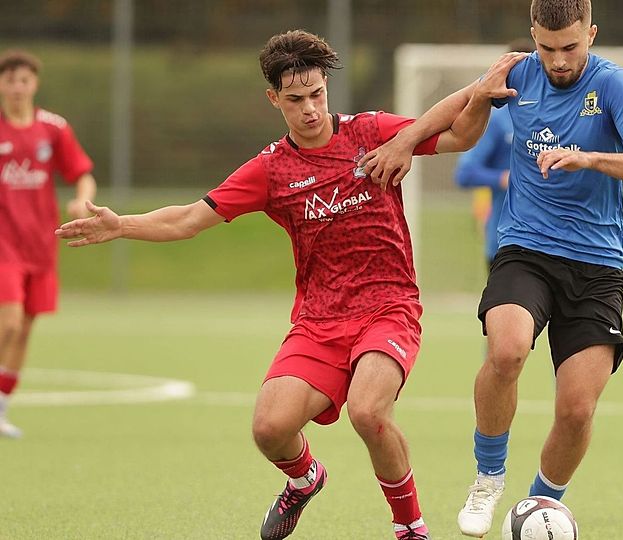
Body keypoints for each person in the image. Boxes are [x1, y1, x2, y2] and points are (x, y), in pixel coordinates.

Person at [55, 29, 523, 540]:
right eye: (295, 99)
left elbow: (459, 136)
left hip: (389, 306)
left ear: (327, 88)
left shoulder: (369, 133)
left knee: (368, 413)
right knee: (269, 429)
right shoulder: (271, 170)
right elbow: (189, 219)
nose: (310, 109)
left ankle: (410, 527)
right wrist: (122, 224)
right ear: (274, 99)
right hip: (320, 319)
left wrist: (480, 91)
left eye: (317, 94)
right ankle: (304, 479)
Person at [361, 1, 623, 536]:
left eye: (570, 48)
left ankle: (536, 506)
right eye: (546, 47)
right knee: (506, 348)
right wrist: (404, 141)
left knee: (576, 409)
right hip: (525, 249)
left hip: (597, 264)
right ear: (533, 35)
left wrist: (589, 157)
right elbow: (456, 105)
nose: (557, 60)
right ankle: (487, 479)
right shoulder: (516, 72)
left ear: (591, 34)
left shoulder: (614, 85)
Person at [0, 49, 97, 439]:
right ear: (2, 85)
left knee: (23, 328)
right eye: (10, 80)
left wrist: (81, 199)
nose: (17, 88)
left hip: (40, 244)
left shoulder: (53, 128)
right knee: (7, 322)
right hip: (3, 243)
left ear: (34, 84)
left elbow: (83, 172)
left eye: (24, 80)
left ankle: (3, 408)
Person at [454, 38, 535, 269]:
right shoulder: (499, 119)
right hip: (505, 243)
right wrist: (503, 178)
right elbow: (465, 173)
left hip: (557, 243)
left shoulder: (564, 115)